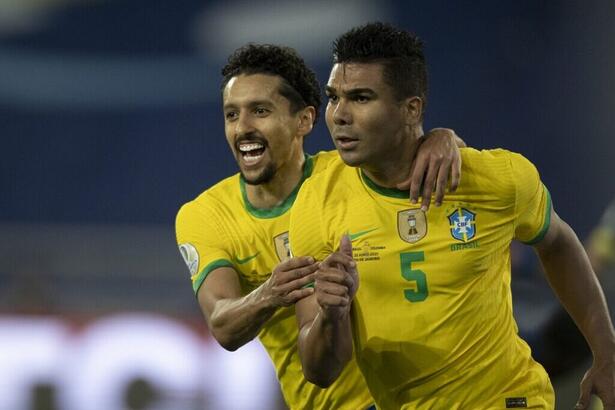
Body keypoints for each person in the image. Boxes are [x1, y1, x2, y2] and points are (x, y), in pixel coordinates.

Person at [289, 22, 615, 410]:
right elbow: (319, 371)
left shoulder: (496, 178)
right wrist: (331, 315)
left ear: (411, 109)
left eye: (360, 98)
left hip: (510, 399)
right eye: (333, 97)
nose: (339, 115)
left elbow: (558, 242)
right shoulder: (316, 202)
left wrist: (606, 354)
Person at [175, 43, 465, 409]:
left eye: (260, 111)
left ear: (305, 120)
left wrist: (443, 138)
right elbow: (223, 324)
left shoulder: (349, 173)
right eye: (232, 115)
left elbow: (415, 150)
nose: (243, 128)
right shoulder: (206, 215)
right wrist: (270, 293)